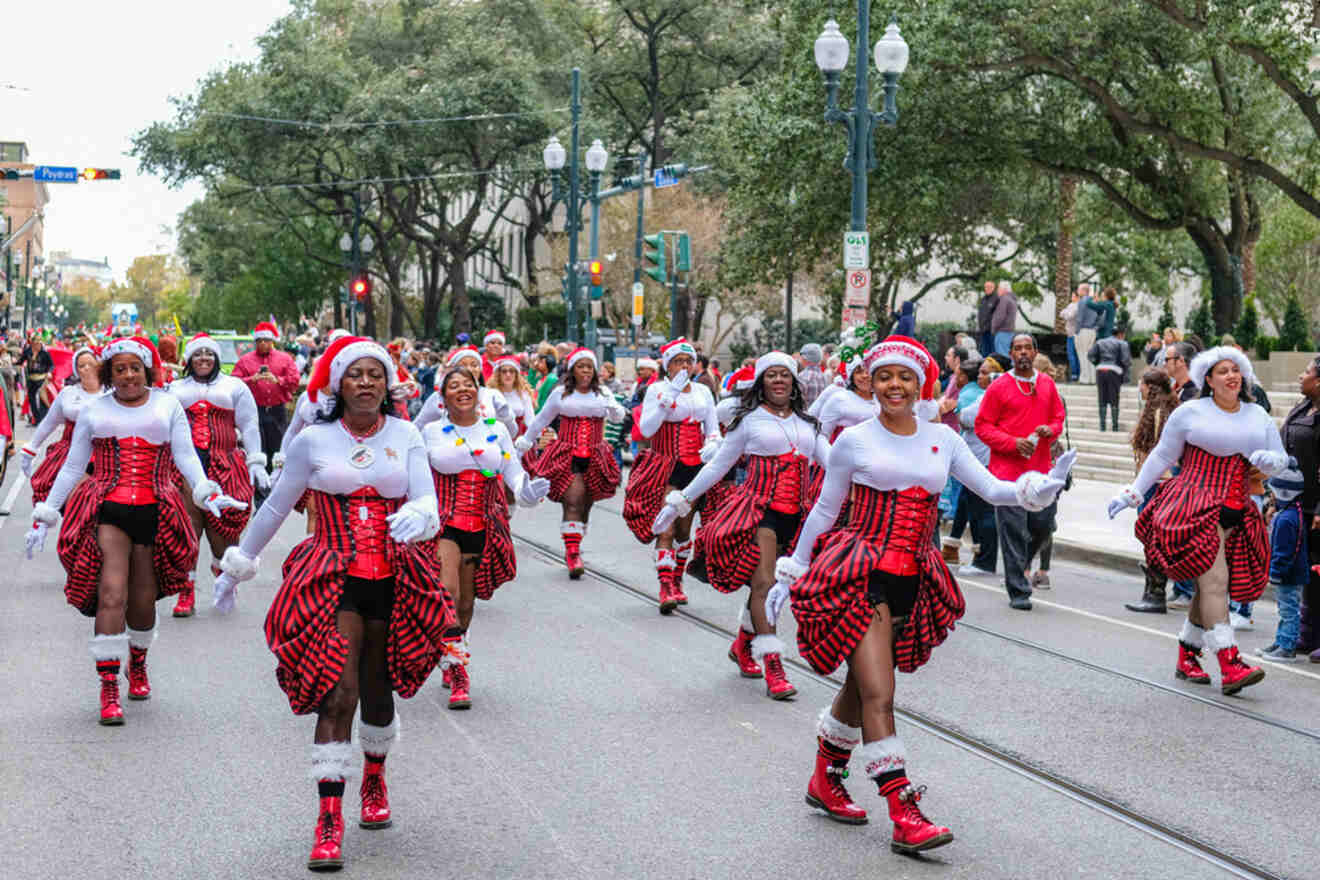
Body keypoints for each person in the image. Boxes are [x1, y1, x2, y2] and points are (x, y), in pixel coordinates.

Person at [770, 334, 1071, 848]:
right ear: (872, 382)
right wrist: (793, 566)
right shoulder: (854, 440)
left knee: (860, 686)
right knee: (880, 694)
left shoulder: (943, 439)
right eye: (884, 376)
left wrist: (1034, 487)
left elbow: (991, 488)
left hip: (913, 575)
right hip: (859, 572)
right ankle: (902, 807)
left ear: (921, 384)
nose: (894, 385)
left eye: (904, 377)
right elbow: (824, 508)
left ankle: (825, 778)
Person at [211, 335, 456, 871]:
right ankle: (328, 817)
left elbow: (427, 501)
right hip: (331, 574)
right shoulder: (313, 440)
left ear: (388, 383)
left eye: (375, 374)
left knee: (378, 689)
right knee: (338, 693)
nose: (365, 383)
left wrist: (422, 517)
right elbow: (276, 507)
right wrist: (237, 563)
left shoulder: (407, 433)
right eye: (354, 374)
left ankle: (373, 777)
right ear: (337, 384)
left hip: (398, 576)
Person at [25, 337, 246, 725]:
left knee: (143, 602)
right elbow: (75, 467)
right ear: (110, 373)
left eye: (135, 368)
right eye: (120, 369)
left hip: (156, 509)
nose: (128, 376)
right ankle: (108, 685)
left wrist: (206, 490)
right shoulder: (95, 411)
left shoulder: (167, 405)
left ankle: (138, 663)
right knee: (111, 592)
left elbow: (185, 457)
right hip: (107, 508)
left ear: (147, 370)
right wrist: (46, 513)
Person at [1107, 346, 1284, 694]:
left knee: (1209, 588)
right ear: (1208, 379)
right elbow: (1161, 456)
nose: (1232, 376)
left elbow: (1279, 459)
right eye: (1223, 371)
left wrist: (1270, 462)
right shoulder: (1190, 412)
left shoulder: (1257, 415)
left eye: (1236, 370)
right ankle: (1229, 661)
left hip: (1239, 509)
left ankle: (1187, 656)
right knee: (1215, 581)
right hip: (1194, 505)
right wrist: (1132, 493)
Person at [652, 353, 828, 700]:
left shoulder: (809, 425)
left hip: (798, 516)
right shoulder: (749, 422)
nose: (779, 381)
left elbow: (837, 463)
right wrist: (680, 501)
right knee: (763, 583)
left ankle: (742, 644)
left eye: (785, 375)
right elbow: (717, 467)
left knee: (775, 588)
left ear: (794, 383)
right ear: (761, 382)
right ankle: (773, 665)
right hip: (757, 510)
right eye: (771, 375)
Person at [423, 366, 549, 710]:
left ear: (478, 392)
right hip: (443, 523)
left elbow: (512, 472)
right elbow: (415, 478)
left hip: (482, 522)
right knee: (448, 592)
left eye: (469, 385)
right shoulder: (431, 432)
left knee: (466, 602)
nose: (463, 390)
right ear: (443, 397)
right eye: (455, 386)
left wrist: (529, 492)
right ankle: (460, 672)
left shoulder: (495, 431)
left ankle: (453, 651)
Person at [165, 334, 269, 617]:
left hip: (226, 464)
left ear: (216, 358)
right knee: (186, 531)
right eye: (198, 354)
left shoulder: (234, 387)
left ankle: (220, 566)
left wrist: (257, 462)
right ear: (188, 360)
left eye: (209, 354)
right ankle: (186, 593)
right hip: (185, 468)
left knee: (225, 532)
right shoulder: (174, 389)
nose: (203, 359)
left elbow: (249, 426)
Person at [622, 337, 720, 613]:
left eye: (688, 361)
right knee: (664, 526)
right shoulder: (656, 390)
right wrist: (670, 397)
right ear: (668, 365)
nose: (684, 366)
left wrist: (713, 442)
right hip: (665, 466)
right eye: (678, 361)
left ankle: (677, 580)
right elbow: (648, 428)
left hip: (694, 467)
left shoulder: (702, 391)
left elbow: (712, 427)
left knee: (683, 530)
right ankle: (664, 585)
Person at [973, 333, 1067, 610]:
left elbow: (1058, 417)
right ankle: (1018, 590)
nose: (1023, 352)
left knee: (1043, 524)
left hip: (1040, 472)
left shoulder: (1046, 383)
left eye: (1028, 348)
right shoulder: (999, 386)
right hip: (1007, 471)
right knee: (1013, 529)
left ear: (1035, 352)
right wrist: (1013, 443)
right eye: (1018, 348)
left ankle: (1020, 564)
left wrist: (1052, 430)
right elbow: (983, 426)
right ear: (1011, 354)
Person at [516, 347, 626, 577]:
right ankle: (572, 552)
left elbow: (617, 417)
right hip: (568, 453)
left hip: (596, 454)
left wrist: (614, 408)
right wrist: (526, 442)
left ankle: (575, 537)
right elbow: (541, 419)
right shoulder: (560, 394)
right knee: (573, 499)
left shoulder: (603, 392)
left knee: (587, 502)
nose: (585, 370)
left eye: (589, 366)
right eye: (580, 366)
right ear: (572, 370)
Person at [1124, 368, 1183, 613]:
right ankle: (1153, 593)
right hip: (1155, 483)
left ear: (1151, 387)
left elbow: (1161, 454)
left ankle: (1155, 595)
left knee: (1153, 539)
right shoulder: (1165, 410)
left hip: (1158, 484)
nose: (1139, 386)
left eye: (1142, 383)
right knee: (1153, 539)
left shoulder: (1160, 413)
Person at [21, 345, 103, 505]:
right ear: (76, 370)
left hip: (102, 454)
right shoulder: (68, 394)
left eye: (90, 364)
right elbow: (48, 423)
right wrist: (31, 448)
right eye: (81, 365)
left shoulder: (112, 393)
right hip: (69, 452)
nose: (86, 369)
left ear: (99, 365)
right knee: (65, 497)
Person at [231, 321, 301, 504]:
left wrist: (278, 380)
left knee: (277, 453)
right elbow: (233, 383)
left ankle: (276, 494)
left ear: (273, 342)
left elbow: (294, 380)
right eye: (259, 340)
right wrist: (251, 379)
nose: (263, 344)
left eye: (266, 341)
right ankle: (261, 497)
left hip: (277, 412)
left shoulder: (285, 359)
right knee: (257, 453)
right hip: (255, 413)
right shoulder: (245, 361)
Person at [1280, 355, 1320, 662]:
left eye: (1306, 372)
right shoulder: (1303, 407)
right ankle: (1306, 636)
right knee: (1305, 573)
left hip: (1315, 508)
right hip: (1297, 503)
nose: (1300, 376)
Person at [955, 355, 1007, 576]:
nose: (980, 376)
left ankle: (985, 561)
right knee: (976, 512)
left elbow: (967, 417)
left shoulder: (992, 397)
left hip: (984, 461)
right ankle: (980, 558)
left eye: (986, 373)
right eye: (981, 372)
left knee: (984, 512)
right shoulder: (987, 395)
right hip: (976, 459)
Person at [1259, 464, 1307, 661]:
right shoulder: (1291, 512)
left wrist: (1276, 573)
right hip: (1290, 573)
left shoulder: (1287, 519)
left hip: (1288, 574)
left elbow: (1285, 551)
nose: (1271, 497)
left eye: (1274, 492)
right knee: (1285, 609)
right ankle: (1281, 641)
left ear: (1284, 493)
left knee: (1289, 611)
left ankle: (1287, 647)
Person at [414, 346, 515, 437]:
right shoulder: (439, 397)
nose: (469, 369)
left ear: (480, 370)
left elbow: (511, 433)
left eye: (474, 365)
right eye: (463, 365)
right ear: (453, 369)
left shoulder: (492, 395)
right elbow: (418, 427)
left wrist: (506, 416)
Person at [1088, 323, 1132, 431]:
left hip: (1101, 369)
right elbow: (1126, 360)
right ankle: (1114, 426)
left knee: (1102, 398)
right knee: (1114, 398)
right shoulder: (1122, 343)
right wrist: (1125, 376)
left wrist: (1098, 363)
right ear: (1121, 334)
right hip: (1114, 371)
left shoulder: (1100, 342)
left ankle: (1102, 426)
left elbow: (1090, 355)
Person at [17, 334, 54, 424]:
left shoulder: (44, 353)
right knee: (31, 398)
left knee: (42, 397)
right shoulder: (27, 351)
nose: (38, 345)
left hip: (42, 378)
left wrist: (49, 372)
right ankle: (37, 419)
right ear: (32, 343)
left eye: (39, 343)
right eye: (35, 343)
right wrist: (15, 362)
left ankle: (44, 419)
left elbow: (51, 365)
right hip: (31, 378)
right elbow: (21, 361)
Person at [1075, 284, 1099, 384]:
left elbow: (1079, 318)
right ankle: (1092, 379)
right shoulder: (1094, 302)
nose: (1077, 291)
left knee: (1082, 354)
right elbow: (1101, 317)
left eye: (1078, 289)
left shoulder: (1082, 301)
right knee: (1090, 355)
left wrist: (1077, 331)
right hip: (1092, 330)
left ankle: (1085, 378)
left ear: (1084, 291)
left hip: (1083, 330)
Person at [990, 280, 1017, 357]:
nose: (997, 291)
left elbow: (999, 316)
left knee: (1002, 356)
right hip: (1010, 332)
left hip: (1002, 332)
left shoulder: (1004, 299)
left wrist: (993, 328)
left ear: (1004, 290)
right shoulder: (1012, 300)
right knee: (1008, 355)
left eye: (998, 288)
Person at [1060, 289, 1081, 381]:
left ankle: (1075, 374)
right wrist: (1065, 312)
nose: (1071, 297)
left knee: (1072, 355)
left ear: (1077, 297)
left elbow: (1069, 316)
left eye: (1072, 296)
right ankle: (1076, 373)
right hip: (1071, 333)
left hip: (1073, 334)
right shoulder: (1072, 305)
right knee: (1073, 355)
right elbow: (1062, 313)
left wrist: (1065, 313)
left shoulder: (1076, 306)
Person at [976, 281, 997, 357]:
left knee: (992, 351)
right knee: (984, 352)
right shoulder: (983, 299)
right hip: (983, 330)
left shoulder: (996, 299)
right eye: (986, 287)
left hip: (992, 331)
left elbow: (997, 316)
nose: (987, 289)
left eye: (989, 287)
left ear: (993, 288)